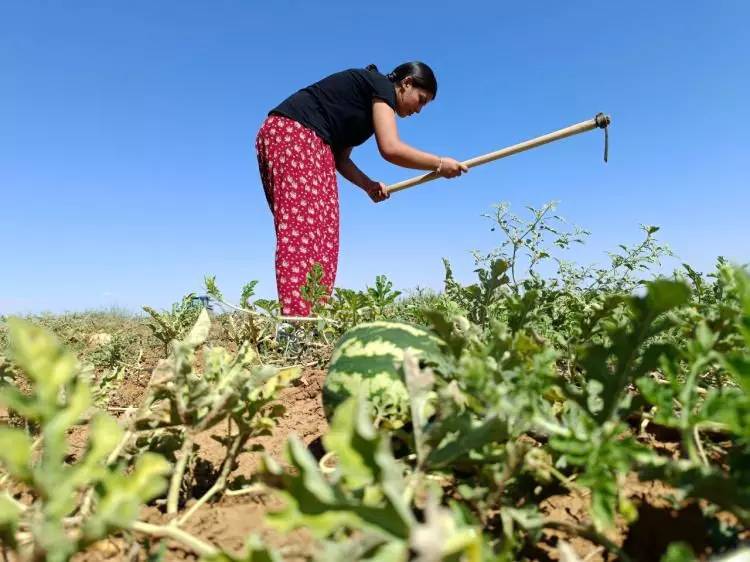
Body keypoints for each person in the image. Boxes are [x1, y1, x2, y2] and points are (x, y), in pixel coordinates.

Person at [255, 61, 468, 317]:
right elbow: (390, 148)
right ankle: (295, 323)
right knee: (303, 232)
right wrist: (440, 164)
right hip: (295, 135)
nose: (419, 110)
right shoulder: (380, 87)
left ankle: (313, 319)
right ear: (406, 83)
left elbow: (341, 159)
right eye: (421, 100)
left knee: (324, 233)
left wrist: (368, 186)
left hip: (314, 144)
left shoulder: (366, 112)